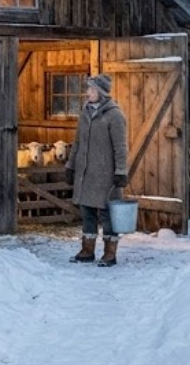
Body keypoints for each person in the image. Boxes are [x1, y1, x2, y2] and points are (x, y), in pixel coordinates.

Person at [64, 73, 128, 267]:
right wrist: (71, 165)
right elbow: (77, 142)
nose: (87, 93)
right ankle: (87, 250)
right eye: (88, 89)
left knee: (107, 214)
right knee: (87, 211)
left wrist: (121, 171)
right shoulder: (84, 113)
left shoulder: (114, 115)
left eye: (91, 89)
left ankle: (110, 253)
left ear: (100, 92)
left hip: (106, 174)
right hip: (86, 173)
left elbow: (120, 147)